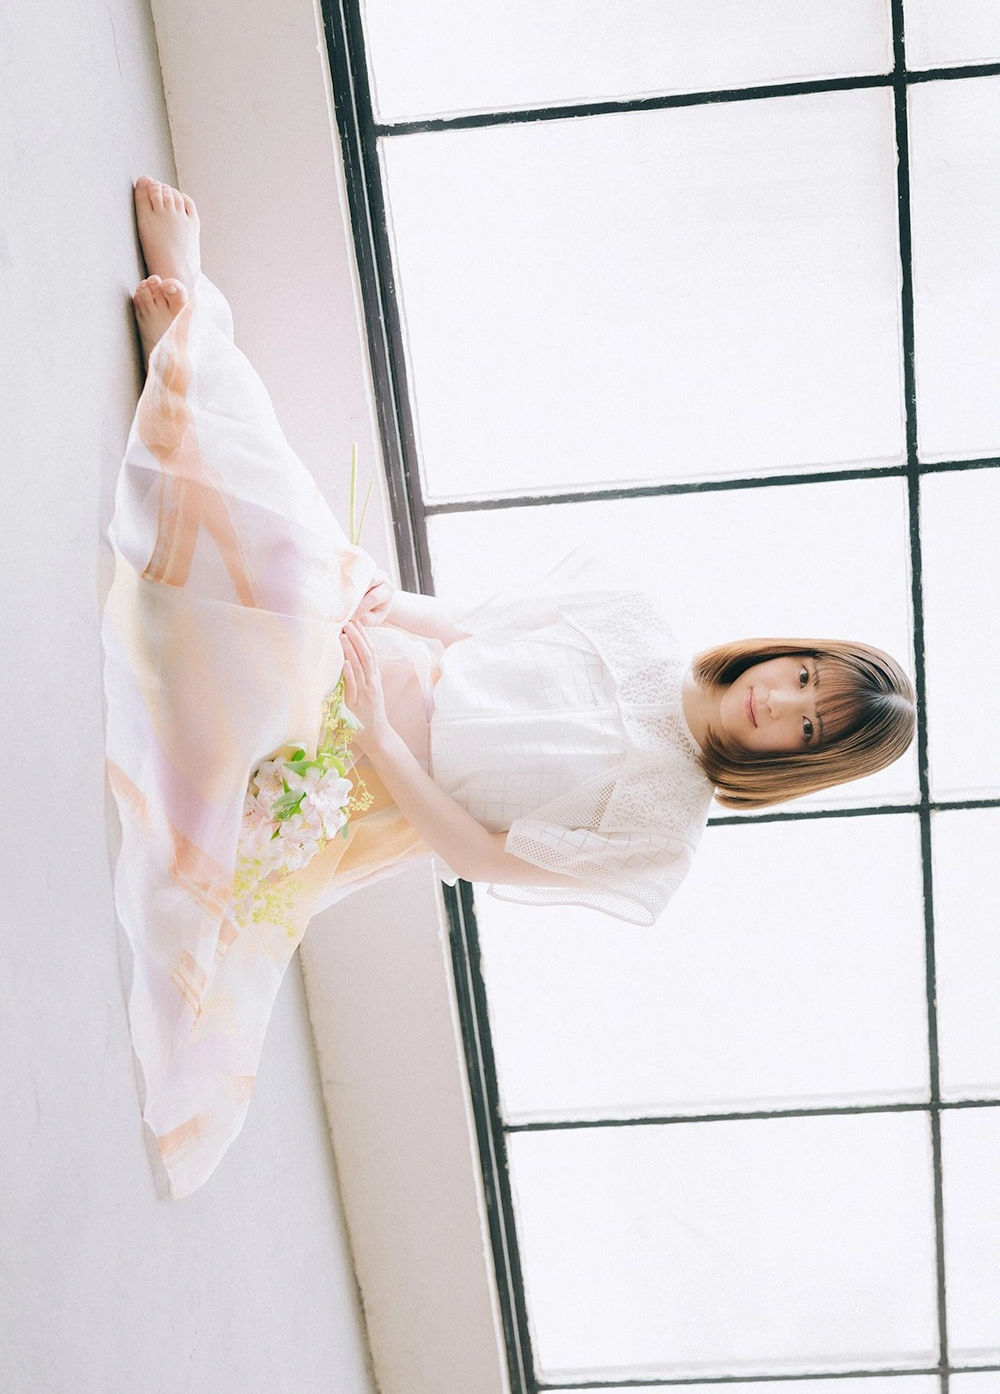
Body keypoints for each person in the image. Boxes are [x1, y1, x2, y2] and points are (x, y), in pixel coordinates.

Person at [105, 178, 915, 1197]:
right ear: (787, 652)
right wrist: (384, 609)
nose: (781, 703)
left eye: (805, 727)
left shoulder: (664, 835)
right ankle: (189, 341)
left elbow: (478, 856)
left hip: (370, 782)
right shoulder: (640, 619)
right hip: (382, 661)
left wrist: (379, 740)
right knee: (291, 538)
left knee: (200, 852)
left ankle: (187, 392)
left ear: (798, 763)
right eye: (801, 677)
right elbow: (476, 626)